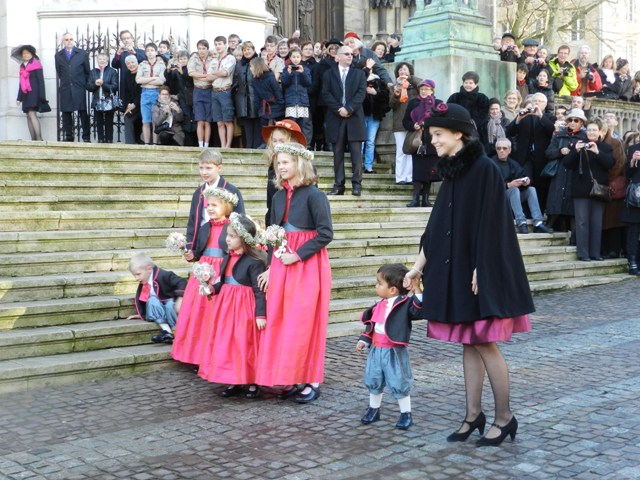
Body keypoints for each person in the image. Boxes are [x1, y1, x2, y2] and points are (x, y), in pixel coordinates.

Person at [403, 103, 534, 447]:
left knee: (485, 343)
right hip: (455, 271)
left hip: (478, 272)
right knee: (468, 343)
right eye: (431, 136)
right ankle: (473, 415)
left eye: (438, 135)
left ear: (458, 133)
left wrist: (483, 267)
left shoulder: (486, 169)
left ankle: (505, 417)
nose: (433, 142)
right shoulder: (452, 173)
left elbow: (494, 224)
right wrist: (418, 266)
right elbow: (436, 228)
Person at [256, 142, 333, 403]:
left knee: (304, 323)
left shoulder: (315, 195)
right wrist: (269, 265)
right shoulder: (278, 197)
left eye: (286, 162)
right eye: (278, 163)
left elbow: (326, 233)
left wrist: (298, 255)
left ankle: (311, 380)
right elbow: (272, 235)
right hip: (280, 264)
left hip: (307, 266)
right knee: (282, 321)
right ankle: (289, 377)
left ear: (299, 164)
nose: (281, 166)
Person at [198, 213, 267, 398]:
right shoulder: (228, 257)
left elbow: (259, 290)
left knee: (245, 344)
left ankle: (252, 381)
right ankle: (233, 379)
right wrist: (211, 288)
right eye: (227, 235)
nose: (227, 239)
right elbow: (225, 281)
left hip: (244, 307)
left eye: (232, 236)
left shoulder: (255, 261)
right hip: (227, 308)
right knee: (228, 344)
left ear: (244, 238)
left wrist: (260, 314)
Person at [171, 187, 235, 365]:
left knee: (213, 314)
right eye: (208, 205)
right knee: (197, 313)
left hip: (220, 272)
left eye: (214, 205)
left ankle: (212, 356)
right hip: (202, 273)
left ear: (226, 206)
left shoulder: (232, 227)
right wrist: (191, 255)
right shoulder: (205, 227)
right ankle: (194, 355)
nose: (210, 208)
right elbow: (198, 252)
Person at [356, 263, 423, 430]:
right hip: (376, 350)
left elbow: (418, 310)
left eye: (379, 283)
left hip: (394, 351)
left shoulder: (405, 304)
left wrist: (416, 289)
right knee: (373, 379)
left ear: (392, 289)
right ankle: (373, 409)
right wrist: (365, 340)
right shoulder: (379, 305)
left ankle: (405, 413)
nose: (376, 286)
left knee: (399, 380)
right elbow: (371, 324)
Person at [562, 118, 614, 261]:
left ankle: (595, 253)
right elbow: (566, 164)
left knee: (596, 223)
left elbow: (610, 164)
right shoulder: (578, 145)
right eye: (589, 130)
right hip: (580, 190)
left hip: (599, 191)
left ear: (600, 132)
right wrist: (575, 151)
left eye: (594, 130)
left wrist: (597, 152)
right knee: (582, 222)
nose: (591, 132)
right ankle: (583, 253)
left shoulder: (605, 148)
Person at [322, 45, 367, 196]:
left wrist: (348, 108)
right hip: (336, 118)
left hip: (354, 117)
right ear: (338, 57)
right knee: (338, 153)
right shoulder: (328, 74)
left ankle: (356, 185)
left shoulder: (359, 74)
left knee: (356, 153)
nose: (350, 56)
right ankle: (339, 185)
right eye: (346, 54)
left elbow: (361, 94)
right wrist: (339, 109)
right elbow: (326, 94)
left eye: (351, 54)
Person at [185, 149, 245, 255]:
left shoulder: (231, 191)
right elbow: (192, 222)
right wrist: (190, 247)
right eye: (201, 168)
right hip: (202, 242)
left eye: (208, 168)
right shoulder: (198, 193)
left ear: (219, 168)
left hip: (224, 243)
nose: (204, 172)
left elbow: (240, 220)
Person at [505, 93, 555, 211]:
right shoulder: (524, 115)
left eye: (540, 101)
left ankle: (541, 214)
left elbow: (552, 131)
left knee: (541, 186)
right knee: (527, 183)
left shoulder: (549, 117)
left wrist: (541, 116)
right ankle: (527, 213)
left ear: (545, 104)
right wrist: (518, 119)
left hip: (542, 158)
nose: (537, 103)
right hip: (525, 157)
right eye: (535, 101)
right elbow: (510, 132)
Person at [491, 138, 553, 234]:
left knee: (531, 189)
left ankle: (538, 222)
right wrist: (508, 185)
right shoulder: (491, 164)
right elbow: (488, 186)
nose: (501, 151)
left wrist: (526, 181)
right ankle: (521, 222)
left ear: (509, 150)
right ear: (496, 150)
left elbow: (522, 175)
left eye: (504, 148)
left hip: (512, 196)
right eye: (499, 148)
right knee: (514, 189)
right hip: (497, 198)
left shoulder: (512, 163)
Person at [127, 252, 186, 344]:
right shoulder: (145, 282)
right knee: (152, 301)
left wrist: (180, 298)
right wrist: (142, 314)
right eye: (134, 275)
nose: (136, 278)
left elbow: (182, 282)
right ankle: (167, 331)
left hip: (170, 306)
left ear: (149, 269)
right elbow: (143, 301)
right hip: (159, 308)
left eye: (138, 274)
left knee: (170, 305)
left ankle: (176, 332)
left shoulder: (165, 275)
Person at [545, 108, 588, 234]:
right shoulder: (559, 135)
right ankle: (551, 223)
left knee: (571, 200)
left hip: (575, 172)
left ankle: (573, 233)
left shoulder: (585, 137)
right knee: (556, 198)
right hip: (559, 171)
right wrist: (560, 151)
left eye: (576, 120)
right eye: (570, 120)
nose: (573, 122)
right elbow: (548, 152)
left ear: (581, 123)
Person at [402, 79, 443, 207]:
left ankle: (425, 199)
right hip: (418, 141)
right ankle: (415, 199)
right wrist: (413, 126)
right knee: (418, 171)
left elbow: (442, 121)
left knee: (429, 172)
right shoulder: (414, 102)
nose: (424, 91)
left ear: (432, 90)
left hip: (432, 142)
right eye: (422, 89)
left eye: (427, 89)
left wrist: (429, 125)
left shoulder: (438, 103)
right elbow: (405, 121)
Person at [262, 120, 307, 224]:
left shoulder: (304, 168)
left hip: (299, 226)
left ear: (293, 141)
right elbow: (271, 202)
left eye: (282, 141)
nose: (277, 145)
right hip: (276, 224)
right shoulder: (272, 167)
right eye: (274, 140)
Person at [54, 32, 91, 142]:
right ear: (63, 41)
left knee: (82, 112)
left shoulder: (82, 53)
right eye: (66, 39)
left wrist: (82, 83)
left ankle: (86, 136)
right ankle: (69, 136)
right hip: (65, 87)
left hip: (79, 87)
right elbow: (59, 72)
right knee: (66, 112)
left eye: (71, 39)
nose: (69, 41)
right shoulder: (58, 55)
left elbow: (87, 71)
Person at [390, 62, 422, 185]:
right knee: (401, 151)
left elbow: (423, 84)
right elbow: (391, 105)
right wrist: (396, 94)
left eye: (405, 70)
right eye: (400, 70)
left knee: (411, 149)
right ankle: (400, 177)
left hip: (413, 122)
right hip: (399, 123)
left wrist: (410, 78)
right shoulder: (394, 86)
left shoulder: (415, 87)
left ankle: (409, 177)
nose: (403, 72)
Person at [360, 57, 391, 174]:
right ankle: (357, 165)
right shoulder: (360, 78)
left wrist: (376, 93)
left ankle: (368, 166)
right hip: (362, 114)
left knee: (370, 141)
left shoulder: (378, 80)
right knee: (361, 141)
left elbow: (385, 97)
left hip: (375, 114)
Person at [447, 71, 490, 148]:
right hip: (458, 131)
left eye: (471, 83)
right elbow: (449, 112)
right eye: (466, 82)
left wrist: (472, 124)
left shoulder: (482, 98)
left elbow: (484, 115)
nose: (468, 85)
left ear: (476, 84)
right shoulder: (454, 97)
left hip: (478, 132)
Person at [208, 36, 236, 148]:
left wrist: (214, 73)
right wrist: (216, 73)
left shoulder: (230, 58)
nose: (218, 46)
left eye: (220, 44)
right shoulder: (214, 60)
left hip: (225, 91)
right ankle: (222, 145)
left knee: (227, 121)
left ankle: (227, 146)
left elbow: (225, 73)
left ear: (225, 45)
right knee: (219, 122)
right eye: (216, 44)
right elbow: (208, 77)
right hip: (214, 91)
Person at [136, 42, 166, 145]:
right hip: (145, 93)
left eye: (152, 50)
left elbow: (161, 81)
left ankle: (155, 143)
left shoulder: (161, 65)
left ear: (156, 52)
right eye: (148, 50)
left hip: (156, 92)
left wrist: (146, 80)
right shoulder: (142, 64)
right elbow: (138, 80)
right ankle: (146, 143)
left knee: (155, 121)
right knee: (146, 120)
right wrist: (153, 78)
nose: (150, 52)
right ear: (145, 53)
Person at [165, 50, 196, 146]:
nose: (182, 61)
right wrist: (168, 71)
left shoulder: (190, 69)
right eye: (181, 59)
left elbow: (190, 82)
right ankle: (187, 143)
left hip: (192, 97)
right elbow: (169, 81)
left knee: (193, 119)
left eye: (184, 58)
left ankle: (194, 143)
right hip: (182, 98)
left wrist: (182, 72)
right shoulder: (176, 70)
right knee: (185, 118)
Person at [15, 45, 46, 141]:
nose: (26, 55)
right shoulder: (22, 67)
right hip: (26, 94)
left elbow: (41, 81)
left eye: (28, 53)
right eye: (24, 53)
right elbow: (21, 83)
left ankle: (39, 138)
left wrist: (42, 95)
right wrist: (19, 98)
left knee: (32, 114)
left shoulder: (36, 64)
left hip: (34, 93)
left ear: (32, 54)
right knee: (28, 116)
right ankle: (33, 139)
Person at [233, 41, 261, 148]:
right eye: (244, 50)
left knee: (257, 125)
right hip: (242, 99)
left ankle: (257, 148)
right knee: (247, 126)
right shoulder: (239, 64)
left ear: (253, 50)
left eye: (249, 49)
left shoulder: (259, 62)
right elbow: (235, 79)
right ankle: (248, 148)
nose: (247, 52)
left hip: (256, 98)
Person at [86, 53, 118, 144]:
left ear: (107, 60)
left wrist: (103, 84)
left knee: (109, 121)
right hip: (97, 100)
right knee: (98, 121)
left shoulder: (112, 71)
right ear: (97, 60)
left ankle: (109, 139)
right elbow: (88, 86)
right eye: (100, 59)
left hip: (108, 100)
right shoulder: (93, 72)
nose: (102, 60)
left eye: (104, 59)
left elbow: (115, 87)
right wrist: (95, 84)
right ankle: (100, 139)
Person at [281, 47, 312, 140]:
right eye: (293, 57)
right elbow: (284, 83)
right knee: (291, 124)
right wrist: (289, 74)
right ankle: (291, 142)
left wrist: (302, 73)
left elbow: (308, 83)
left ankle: (303, 143)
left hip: (302, 101)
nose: (295, 59)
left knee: (303, 125)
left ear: (301, 58)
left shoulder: (305, 69)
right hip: (291, 101)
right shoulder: (286, 70)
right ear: (290, 58)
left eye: (298, 57)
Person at [188, 39, 214, 147]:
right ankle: (200, 145)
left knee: (207, 121)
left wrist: (204, 77)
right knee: (200, 120)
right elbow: (191, 72)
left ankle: (206, 145)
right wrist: (205, 76)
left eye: (204, 48)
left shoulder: (213, 59)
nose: (201, 51)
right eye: (199, 48)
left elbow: (213, 74)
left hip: (209, 89)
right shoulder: (194, 59)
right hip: (198, 90)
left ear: (207, 49)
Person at [621, 139, 640, 275]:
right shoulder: (634, 148)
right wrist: (632, 162)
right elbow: (627, 173)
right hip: (636, 195)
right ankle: (632, 262)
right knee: (633, 230)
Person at [250, 57, 285, 126]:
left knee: (277, 128)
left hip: (276, 106)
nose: (250, 68)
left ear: (257, 67)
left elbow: (277, 91)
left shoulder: (270, 77)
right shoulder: (254, 81)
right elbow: (256, 97)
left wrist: (281, 105)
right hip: (263, 108)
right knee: (265, 129)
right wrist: (258, 108)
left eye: (251, 66)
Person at [120, 56, 143, 144]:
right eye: (128, 63)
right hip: (132, 106)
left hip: (142, 103)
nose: (131, 65)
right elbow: (125, 92)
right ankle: (130, 144)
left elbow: (143, 91)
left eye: (132, 62)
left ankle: (142, 141)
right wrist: (127, 105)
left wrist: (135, 104)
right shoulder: (126, 75)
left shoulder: (143, 73)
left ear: (137, 62)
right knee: (127, 117)